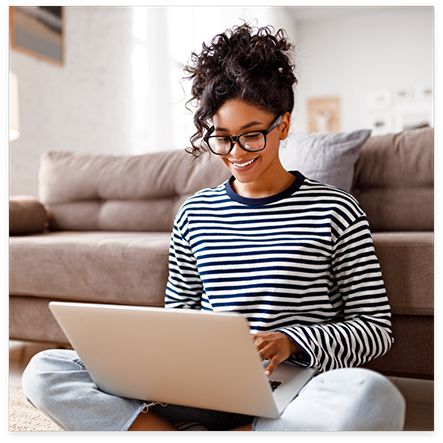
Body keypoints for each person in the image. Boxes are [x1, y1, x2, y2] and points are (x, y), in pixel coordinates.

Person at [22, 23, 406, 431]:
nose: (236, 153)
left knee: (371, 396)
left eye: (251, 136)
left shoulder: (336, 210)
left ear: (284, 125)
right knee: (44, 370)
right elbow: (178, 318)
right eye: (221, 138)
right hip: (201, 388)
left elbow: (375, 329)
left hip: (294, 389)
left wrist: (293, 341)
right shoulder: (195, 213)